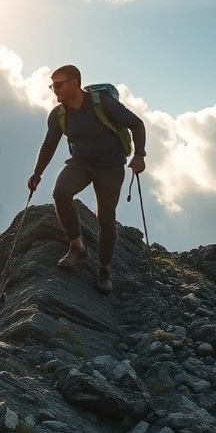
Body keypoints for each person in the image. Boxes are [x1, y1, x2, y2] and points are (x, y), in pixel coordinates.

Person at [26, 65, 147, 293]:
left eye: (58, 84)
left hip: (110, 167)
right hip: (81, 163)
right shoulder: (58, 114)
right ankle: (77, 247)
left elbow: (136, 124)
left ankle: (104, 270)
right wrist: (37, 172)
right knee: (60, 193)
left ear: (74, 83)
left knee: (106, 218)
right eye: (52, 85)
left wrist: (139, 155)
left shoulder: (102, 104)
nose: (54, 90)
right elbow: (49, 143)